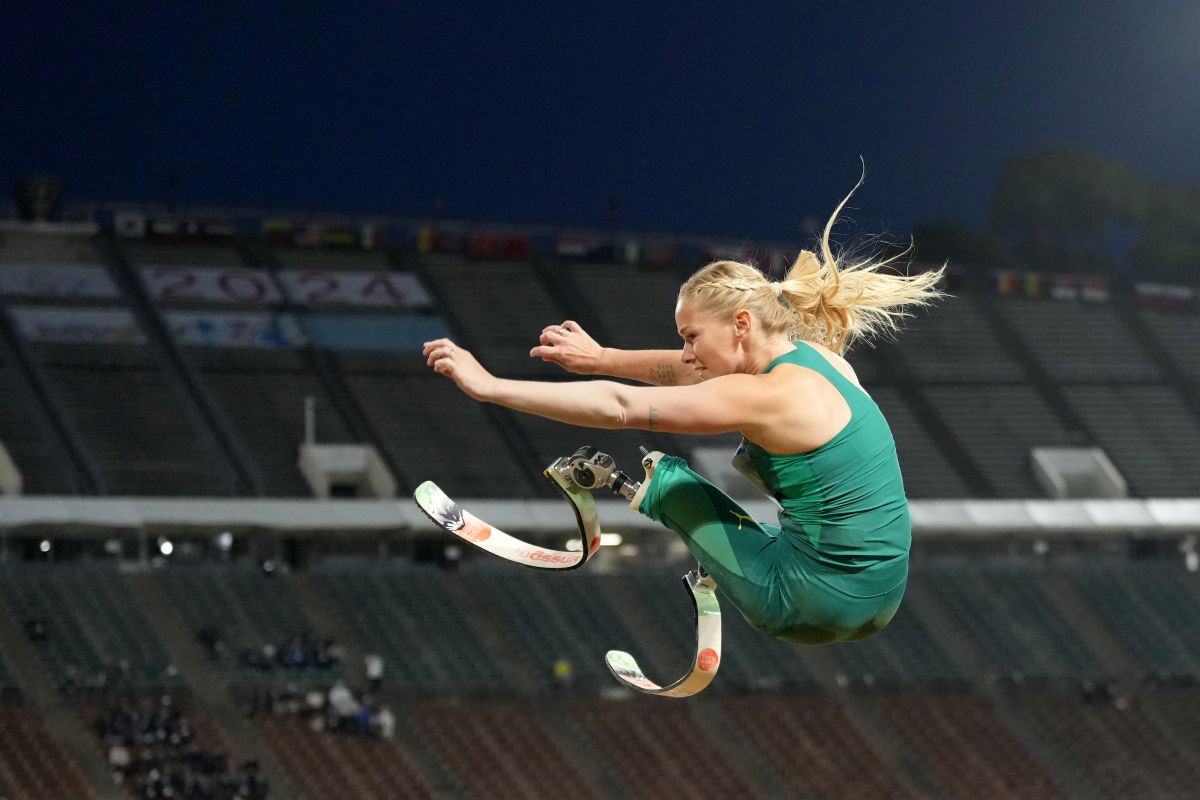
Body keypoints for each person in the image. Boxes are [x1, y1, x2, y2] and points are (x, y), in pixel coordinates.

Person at [422, 181, 943, 645]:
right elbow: (688, 371)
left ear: (741, 324)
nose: (687, 352)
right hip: (882, 598)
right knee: (784, 518)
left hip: (809, 602)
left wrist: (491, 387)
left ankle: (627, 485)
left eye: (692, 337)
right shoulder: (819, 362)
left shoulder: (764, 394)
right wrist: (602, 358)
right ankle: (722, 556)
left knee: (671, 482)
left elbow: (621, 407)